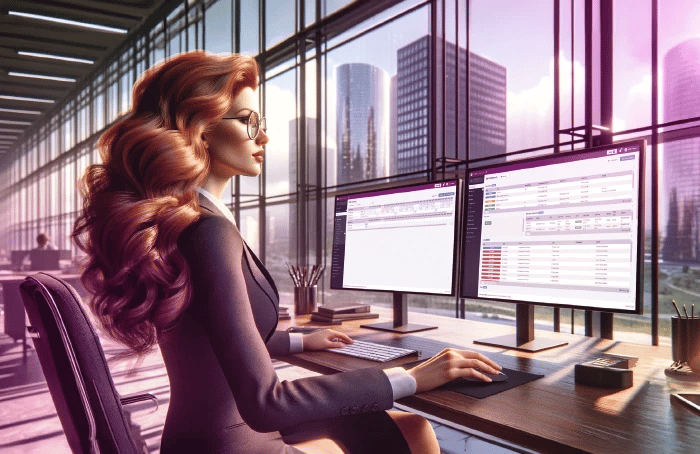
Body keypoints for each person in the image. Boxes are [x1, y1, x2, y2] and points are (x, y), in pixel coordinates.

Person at [72, 51, 502, 454]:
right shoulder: (208, 232)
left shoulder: (184, 224)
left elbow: (215, 336)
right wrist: (409, 377)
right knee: (411, 428)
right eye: (249, 121)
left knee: (401, 429)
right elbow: (267, 403)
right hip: (237, 441)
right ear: (198, 128)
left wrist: (298, 340)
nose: (265, 136)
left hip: (195, 438)